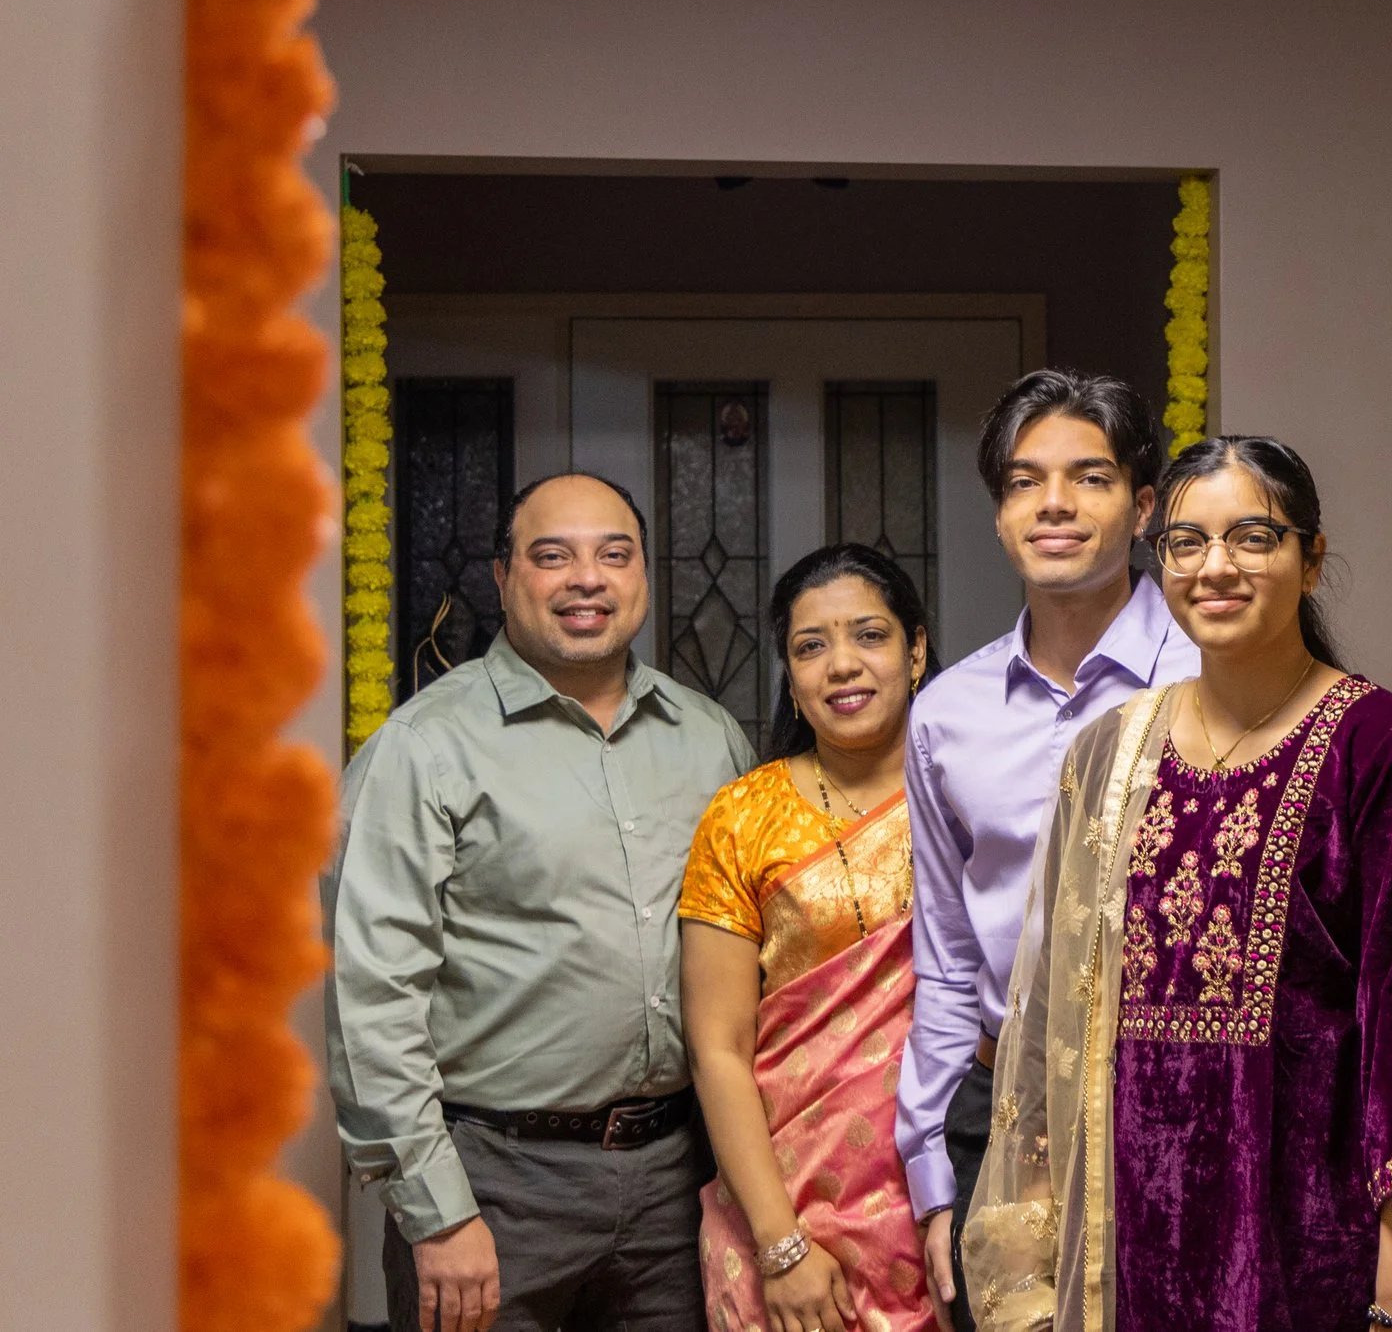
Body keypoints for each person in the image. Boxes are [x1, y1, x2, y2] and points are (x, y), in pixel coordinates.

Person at [896, 372, 1392, 1332]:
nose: (1215, 566)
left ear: (1311, 556)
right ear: (1159, 554)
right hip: (1125, 1227)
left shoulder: (1380, 744)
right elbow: (1044, 1003)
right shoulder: (1110, 750)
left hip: (1312, 1232)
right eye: (1188, 542)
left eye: (1252, 536)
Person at [329, 473, 756, 1332]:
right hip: (493, 1181)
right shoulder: (423, 749)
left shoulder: (709, 737)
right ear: (503, 577)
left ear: (643, 575)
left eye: (614, 554)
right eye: (552, 555)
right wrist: (439, 1212)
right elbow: (372, 997)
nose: (586, 579)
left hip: (679, 1180)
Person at [680, 544, 937, 1332]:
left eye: (869, 635)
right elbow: (716, 1046)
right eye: (810, 646)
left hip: (946, 1201)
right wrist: (779, 1242)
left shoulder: (970, 793)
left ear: (916, 649)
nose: (842, 665)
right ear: (789, 675)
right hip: (783, 1209)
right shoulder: (742, 816)